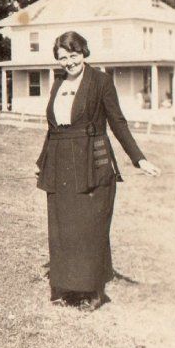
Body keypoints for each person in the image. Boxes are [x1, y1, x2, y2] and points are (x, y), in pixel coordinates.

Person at [35, 31, 160, 312]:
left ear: (84, 53)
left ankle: (93, 291)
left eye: (73, 55)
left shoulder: (101, 81)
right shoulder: (58, 83)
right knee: (62, 225)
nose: (69, 62)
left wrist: (139, 159)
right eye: (63, 58)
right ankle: (65, 288)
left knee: (90, 226)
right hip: (60, 161)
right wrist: (43, 162)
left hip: (92, 161)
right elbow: (53, 128)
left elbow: (117, 122)